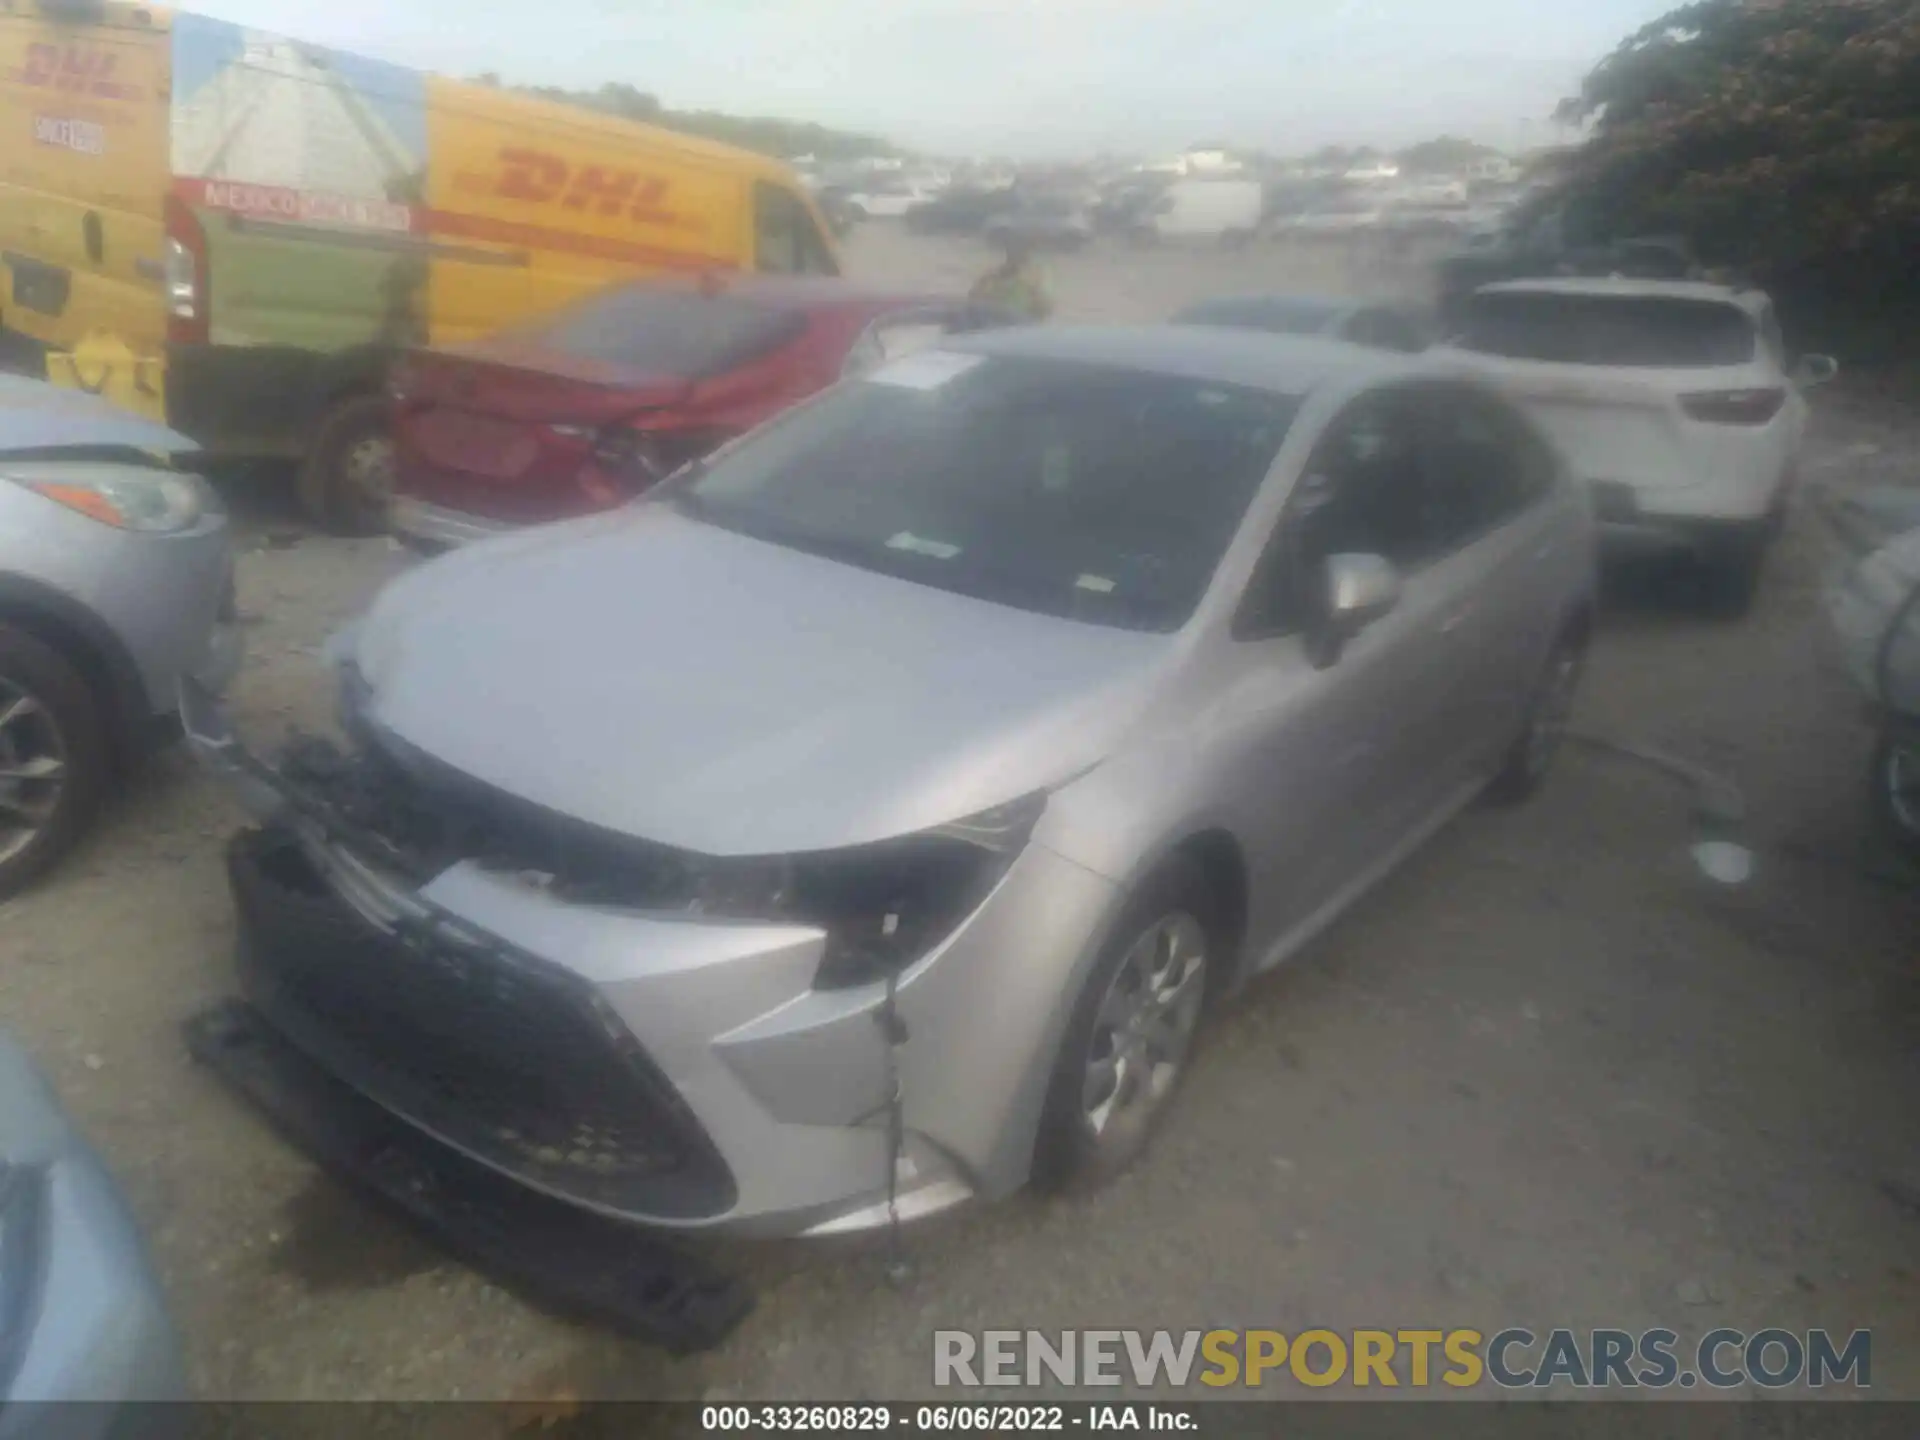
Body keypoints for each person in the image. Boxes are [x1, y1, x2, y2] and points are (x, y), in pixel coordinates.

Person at [970, 233, 1054, 321]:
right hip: (995, 324)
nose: (1018, 256)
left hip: (1021, 326)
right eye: (1013, 251)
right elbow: (973, 301)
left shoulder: (1035, 280)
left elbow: (1045, 309)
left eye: (1021, 252)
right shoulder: (989, 278)